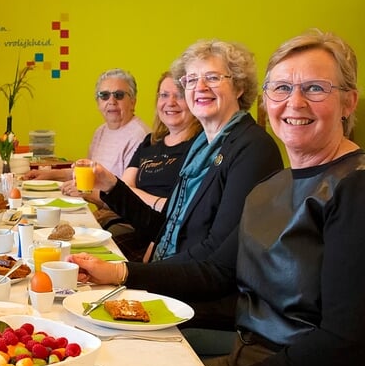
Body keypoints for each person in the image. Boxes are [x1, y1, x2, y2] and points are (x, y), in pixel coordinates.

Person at [72, 30, 365, 366]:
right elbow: (214, 271)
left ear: (348, 101)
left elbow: (345, 344)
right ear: (266, 98)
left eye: (315, 88)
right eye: (282, 88)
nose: (294, 101)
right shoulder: (271, 188)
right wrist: (123, 276)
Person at [72, 41, 283, 266]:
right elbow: (163, 226)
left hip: (201, 292)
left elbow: (217, 258)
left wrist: (128, 274)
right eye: (191, 79)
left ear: (239, 87)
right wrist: (112, 185)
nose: (199, 87)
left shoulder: (252, 148)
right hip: (174, 272)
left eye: (212, 77)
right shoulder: (201, 147)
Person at [100, 71, 203, 261]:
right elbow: (125, 187)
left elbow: (178, 208)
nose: (170, 102)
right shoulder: (150, 142)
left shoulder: (200, 146)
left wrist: (130, 193)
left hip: (160, 234)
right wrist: (153, 200)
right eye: (164, 95)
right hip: (130, 220)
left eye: (179, 95)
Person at [30, 68, 150, 182]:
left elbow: (127, 196)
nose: (111, 101)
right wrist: (49, 175)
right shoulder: (100, 132)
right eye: (104, 96)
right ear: (98, 103)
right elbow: (86, 173)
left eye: (119, 95)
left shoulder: (140, 137)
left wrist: (85, 193)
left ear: (133, 102)